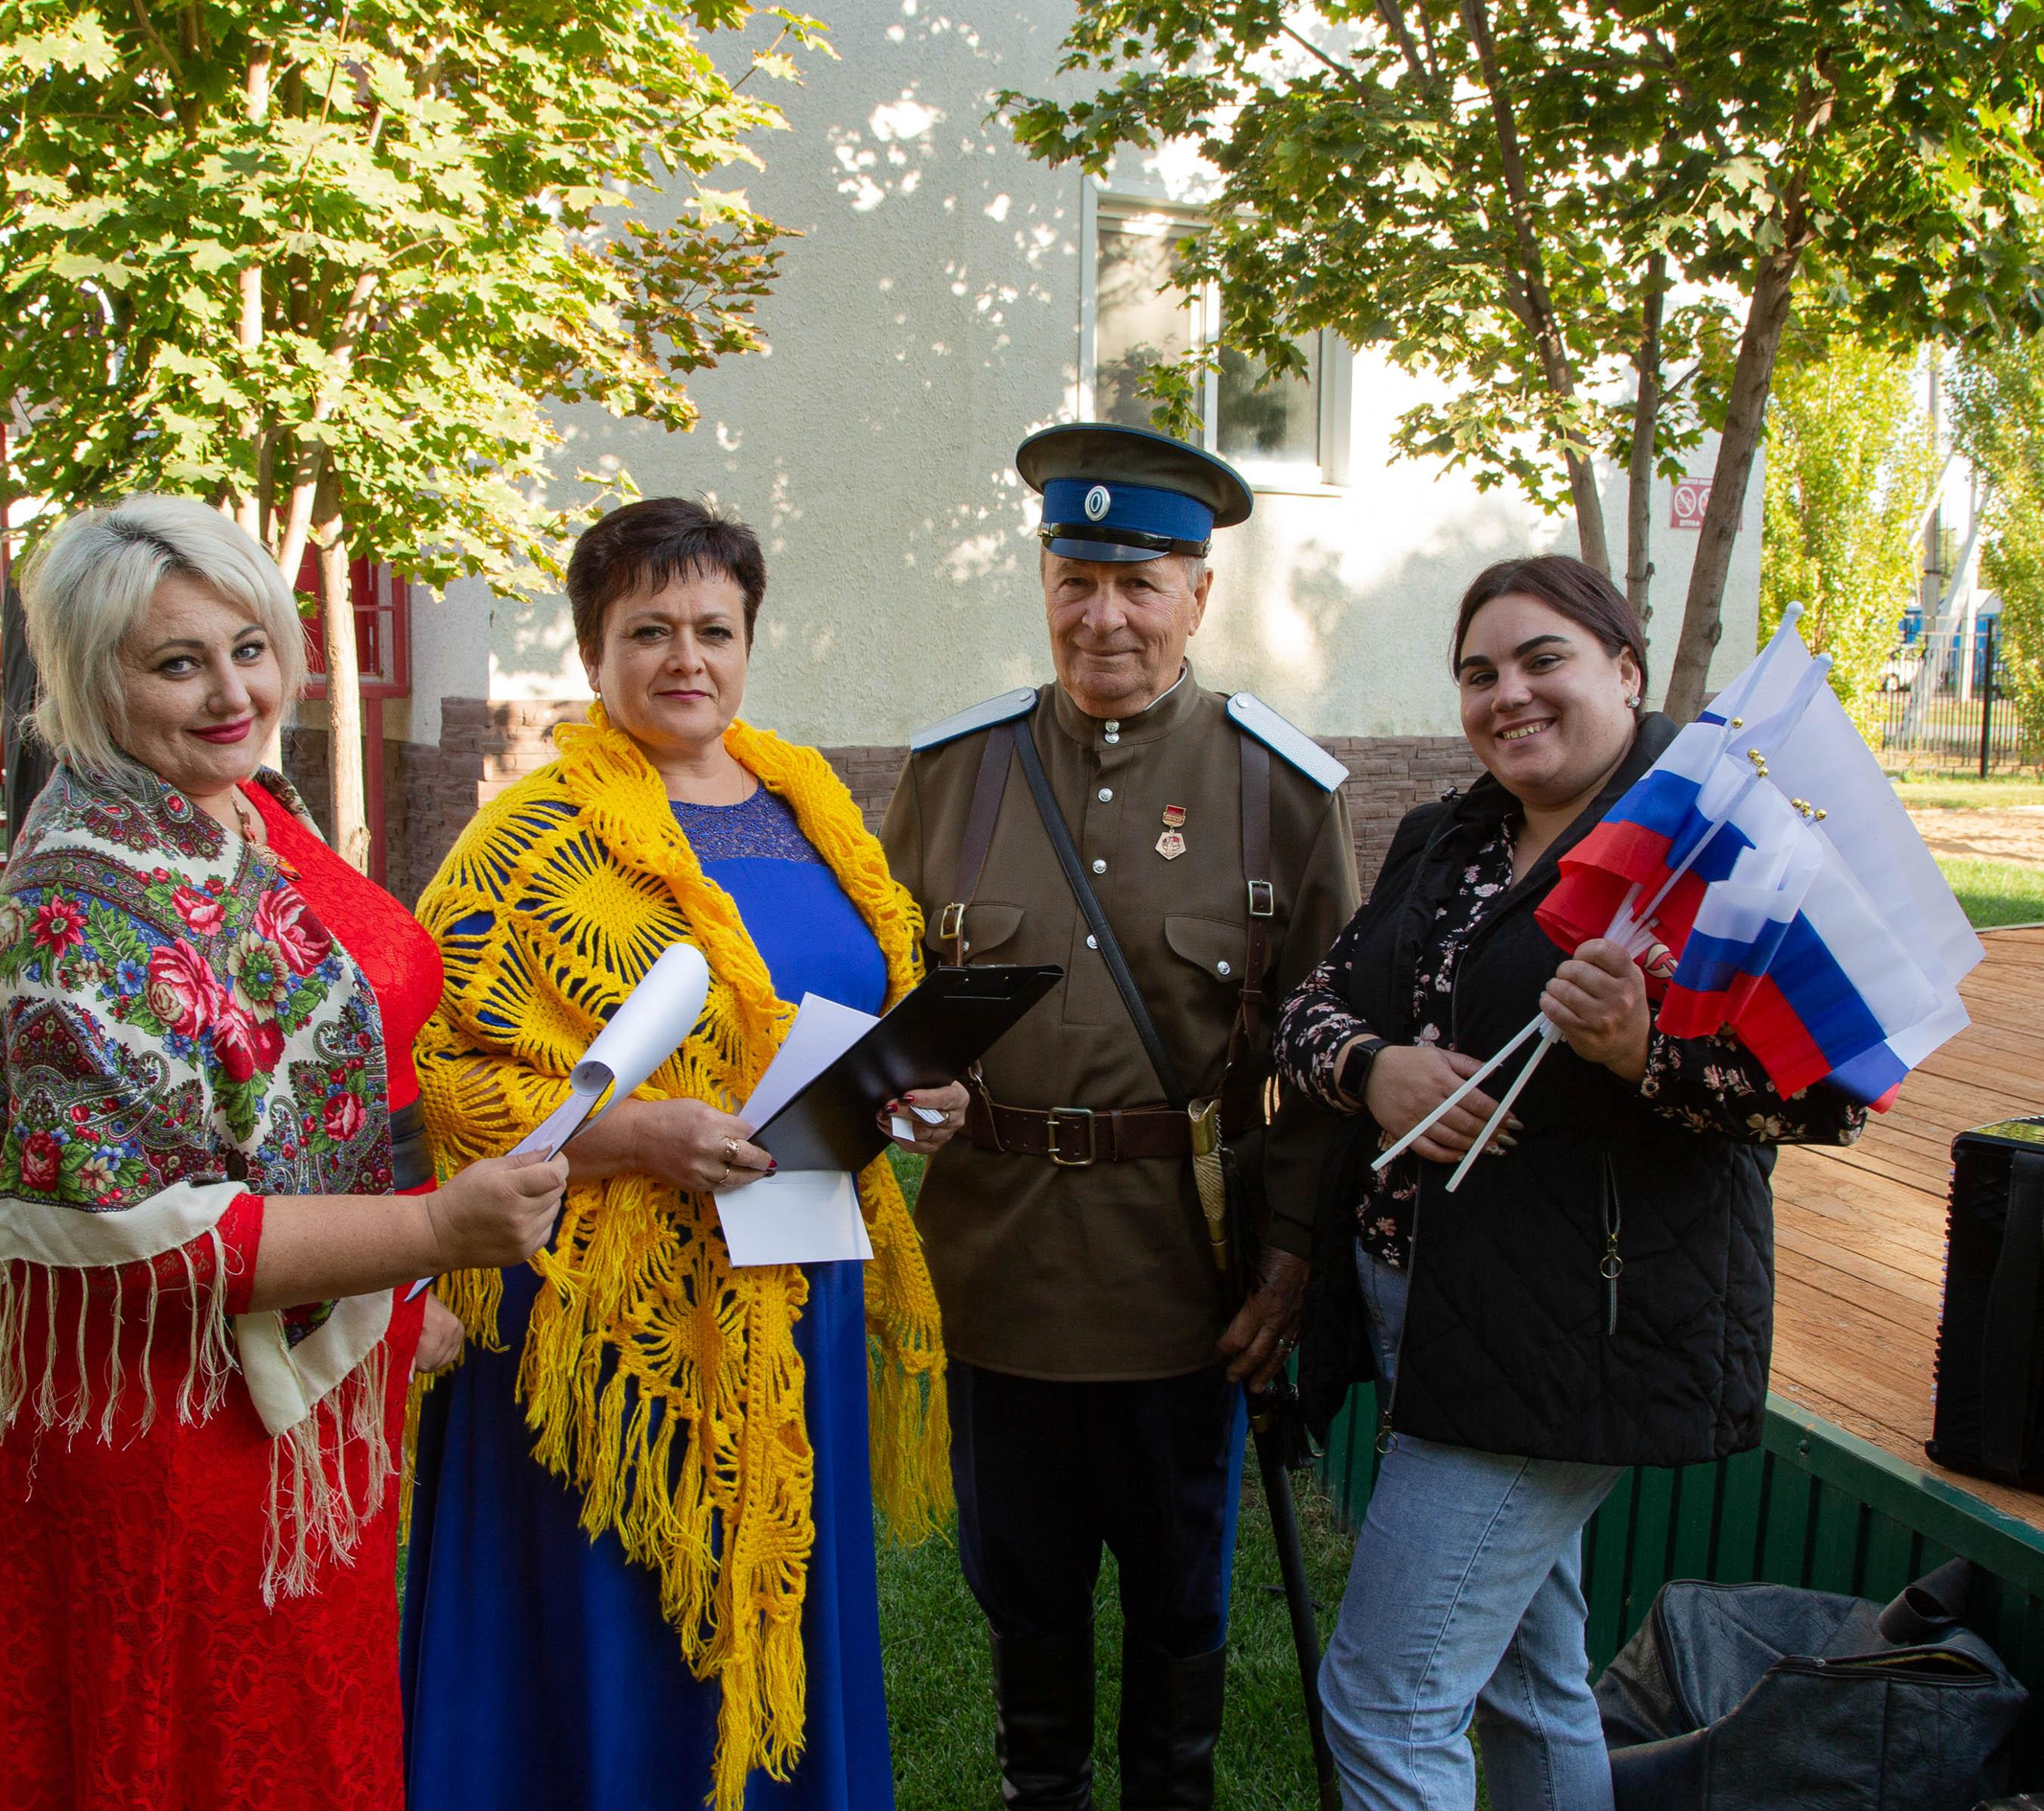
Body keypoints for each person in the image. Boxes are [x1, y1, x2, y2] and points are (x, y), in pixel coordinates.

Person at [0, 495, 565, 1809]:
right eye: (176, 662)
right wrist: (426, 1239)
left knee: (316, 1743)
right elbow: (146, 1236)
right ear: (92, 678)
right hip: (165, 1446)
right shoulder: (83, 896)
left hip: (298, 1405)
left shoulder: (246, 810)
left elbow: (353, 1035)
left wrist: (389, 1288)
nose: (229, 691)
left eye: (249, 646)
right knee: (204, 1758)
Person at [1279, 555, 1868, 1811]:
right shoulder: (1450, 835)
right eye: (1480, 672)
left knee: (1385, 1702)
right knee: (1531, 1684)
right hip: (1423, 1305)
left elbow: (1825, 1095)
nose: (1510, 694)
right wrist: (1374, 1067)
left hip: (1566, 1330)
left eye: (1544, 658)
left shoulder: (1710, 840)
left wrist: (1640, 1052)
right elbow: (1312, 1010)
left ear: (1626, 670)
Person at [405, 496, 960, 1811]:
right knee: (616, 1617)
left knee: (775, 1591)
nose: (685, 657)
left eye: (715, 627)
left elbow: (875, 997)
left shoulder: (813, 805)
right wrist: (630, 1135)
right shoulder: (533, 837)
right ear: (594, 652)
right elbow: (441, 1063)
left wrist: (911, 1094)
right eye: (646, 629)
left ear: (752, 639)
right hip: (603, 1311)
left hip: (793, 1276)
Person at [880, 422, 1360, 1809]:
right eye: (1077, 576)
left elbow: (1323, 1066)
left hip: (1183, 1278)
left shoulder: (1281, 791)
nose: (1105, 615)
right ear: (1043, 578)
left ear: (1199, 595)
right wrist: (904, 1086)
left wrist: (1293, 1261)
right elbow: (889, 989)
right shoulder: (956, 775)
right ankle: (1045, 1789)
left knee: (1176, 1598)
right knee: (1022, 1592)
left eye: (1141, 582)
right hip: (999, 1267)